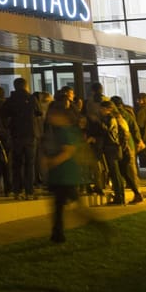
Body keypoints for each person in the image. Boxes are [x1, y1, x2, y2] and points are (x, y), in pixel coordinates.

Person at [40, 97, 103, 244]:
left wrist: (50, 162)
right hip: (64, 176)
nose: (49, 117)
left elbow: (67, 151)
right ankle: (57, 234)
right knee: (61, 208)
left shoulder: (64, 131)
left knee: (67, 208)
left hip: (65, 177)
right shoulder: (67, 130)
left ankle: (60, 234)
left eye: (52, 114)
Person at [1, 78, 38, 200]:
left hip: (16, 135)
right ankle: (29, 191)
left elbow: (4, 114)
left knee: (17, 164)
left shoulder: (11, 100)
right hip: (30, 134)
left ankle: (17, 190)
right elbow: (39, 112)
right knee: (29, 164)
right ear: (26, 86)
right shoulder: (31, 98)